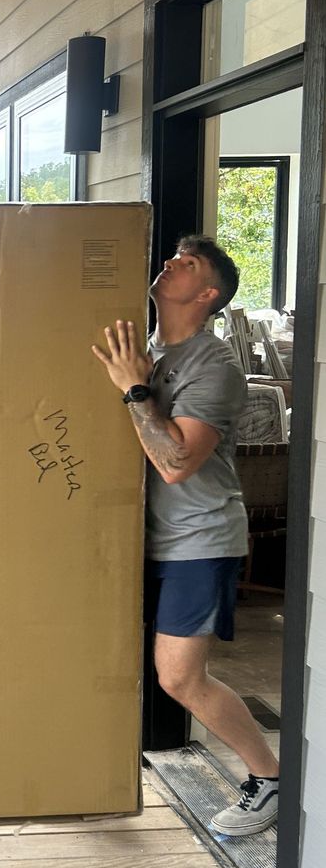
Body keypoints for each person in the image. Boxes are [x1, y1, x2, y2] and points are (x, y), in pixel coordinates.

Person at [92, 234, 280, 837]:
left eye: (187, 263)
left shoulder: (214, 364)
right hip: (136, 539)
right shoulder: (144, 350)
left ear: (207, 294)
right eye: (173, 254)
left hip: (198, 540)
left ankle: (269, 776)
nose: (170, 262)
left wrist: (133, 389)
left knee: (179, 676)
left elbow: (175, 462)